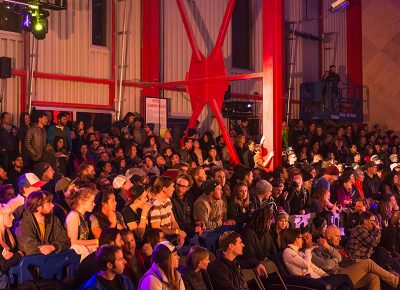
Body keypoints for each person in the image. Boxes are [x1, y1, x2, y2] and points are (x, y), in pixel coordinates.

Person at [319, 225, 400, 290]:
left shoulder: (337, 246)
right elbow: (335, 262)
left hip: (347, 270)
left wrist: (355, 261)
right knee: (368, 262)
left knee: (373, 276)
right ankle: (396, 281)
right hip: (338, 275)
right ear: (329, 236)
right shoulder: (325, 248)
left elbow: (345, 258)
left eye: (340, 236)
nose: (340, 238)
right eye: (337, 236)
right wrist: (355, 262)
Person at [15, 190, 71, 255]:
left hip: (50, 259)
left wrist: (53, 247)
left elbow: (66, 242)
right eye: (49, 203)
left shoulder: (54, 220)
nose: (53, 205)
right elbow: (30, 249)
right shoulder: (23, 223)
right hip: (31, 262)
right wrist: (49, 247)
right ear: (38, 207)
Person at [148, 176, 187, 243]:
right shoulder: (154, 205)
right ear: (164, 189)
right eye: (172, 186)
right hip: (162, 240)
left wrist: (179, 234)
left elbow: (173, 220)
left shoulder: (167, 200)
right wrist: (177, 231)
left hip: (171, 236)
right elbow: (156, 229)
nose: (174, 189)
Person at [65, 187, 99, 260]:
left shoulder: (81, 216)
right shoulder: (74, 215)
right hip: (76, 257)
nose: (94, 204)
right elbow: (73, 242)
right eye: (92, 201)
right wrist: (96, 241)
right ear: (81, 201)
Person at [0, 204, 23, 289]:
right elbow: (4, 266)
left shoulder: (9, 235)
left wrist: (13, 255)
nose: (13, 217)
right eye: (9, 215)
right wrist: (19, 255)